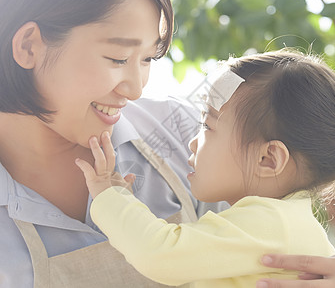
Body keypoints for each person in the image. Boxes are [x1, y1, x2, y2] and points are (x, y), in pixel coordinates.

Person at [0, 0, 334, 287]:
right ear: (29, 45)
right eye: (117, 58)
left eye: (147, 59)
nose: (136, 88)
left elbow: (161, 253)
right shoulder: (210, 139)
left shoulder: (186, 130)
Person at [76, 50, 335, 288]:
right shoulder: (285, 222)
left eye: (207, 126)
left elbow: (159, 253)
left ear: (268, 159)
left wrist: (109, 195)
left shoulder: (271, 222)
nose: (192, 141)